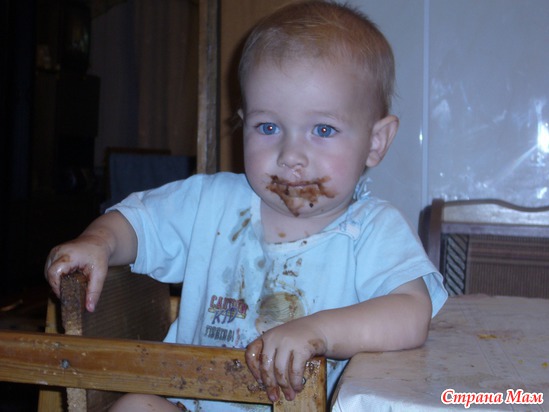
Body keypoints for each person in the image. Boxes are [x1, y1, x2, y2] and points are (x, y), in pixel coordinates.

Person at [45, 1, 447, 410]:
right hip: (191, 404)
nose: (291, 155)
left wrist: (320, 331)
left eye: (323, 130)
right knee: (135, 405)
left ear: (376, 142)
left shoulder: (373, 229)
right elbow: (139, 222)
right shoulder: (212, 203)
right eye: (268, 127)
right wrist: (100, 241)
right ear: (243, 123)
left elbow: (412, 313)